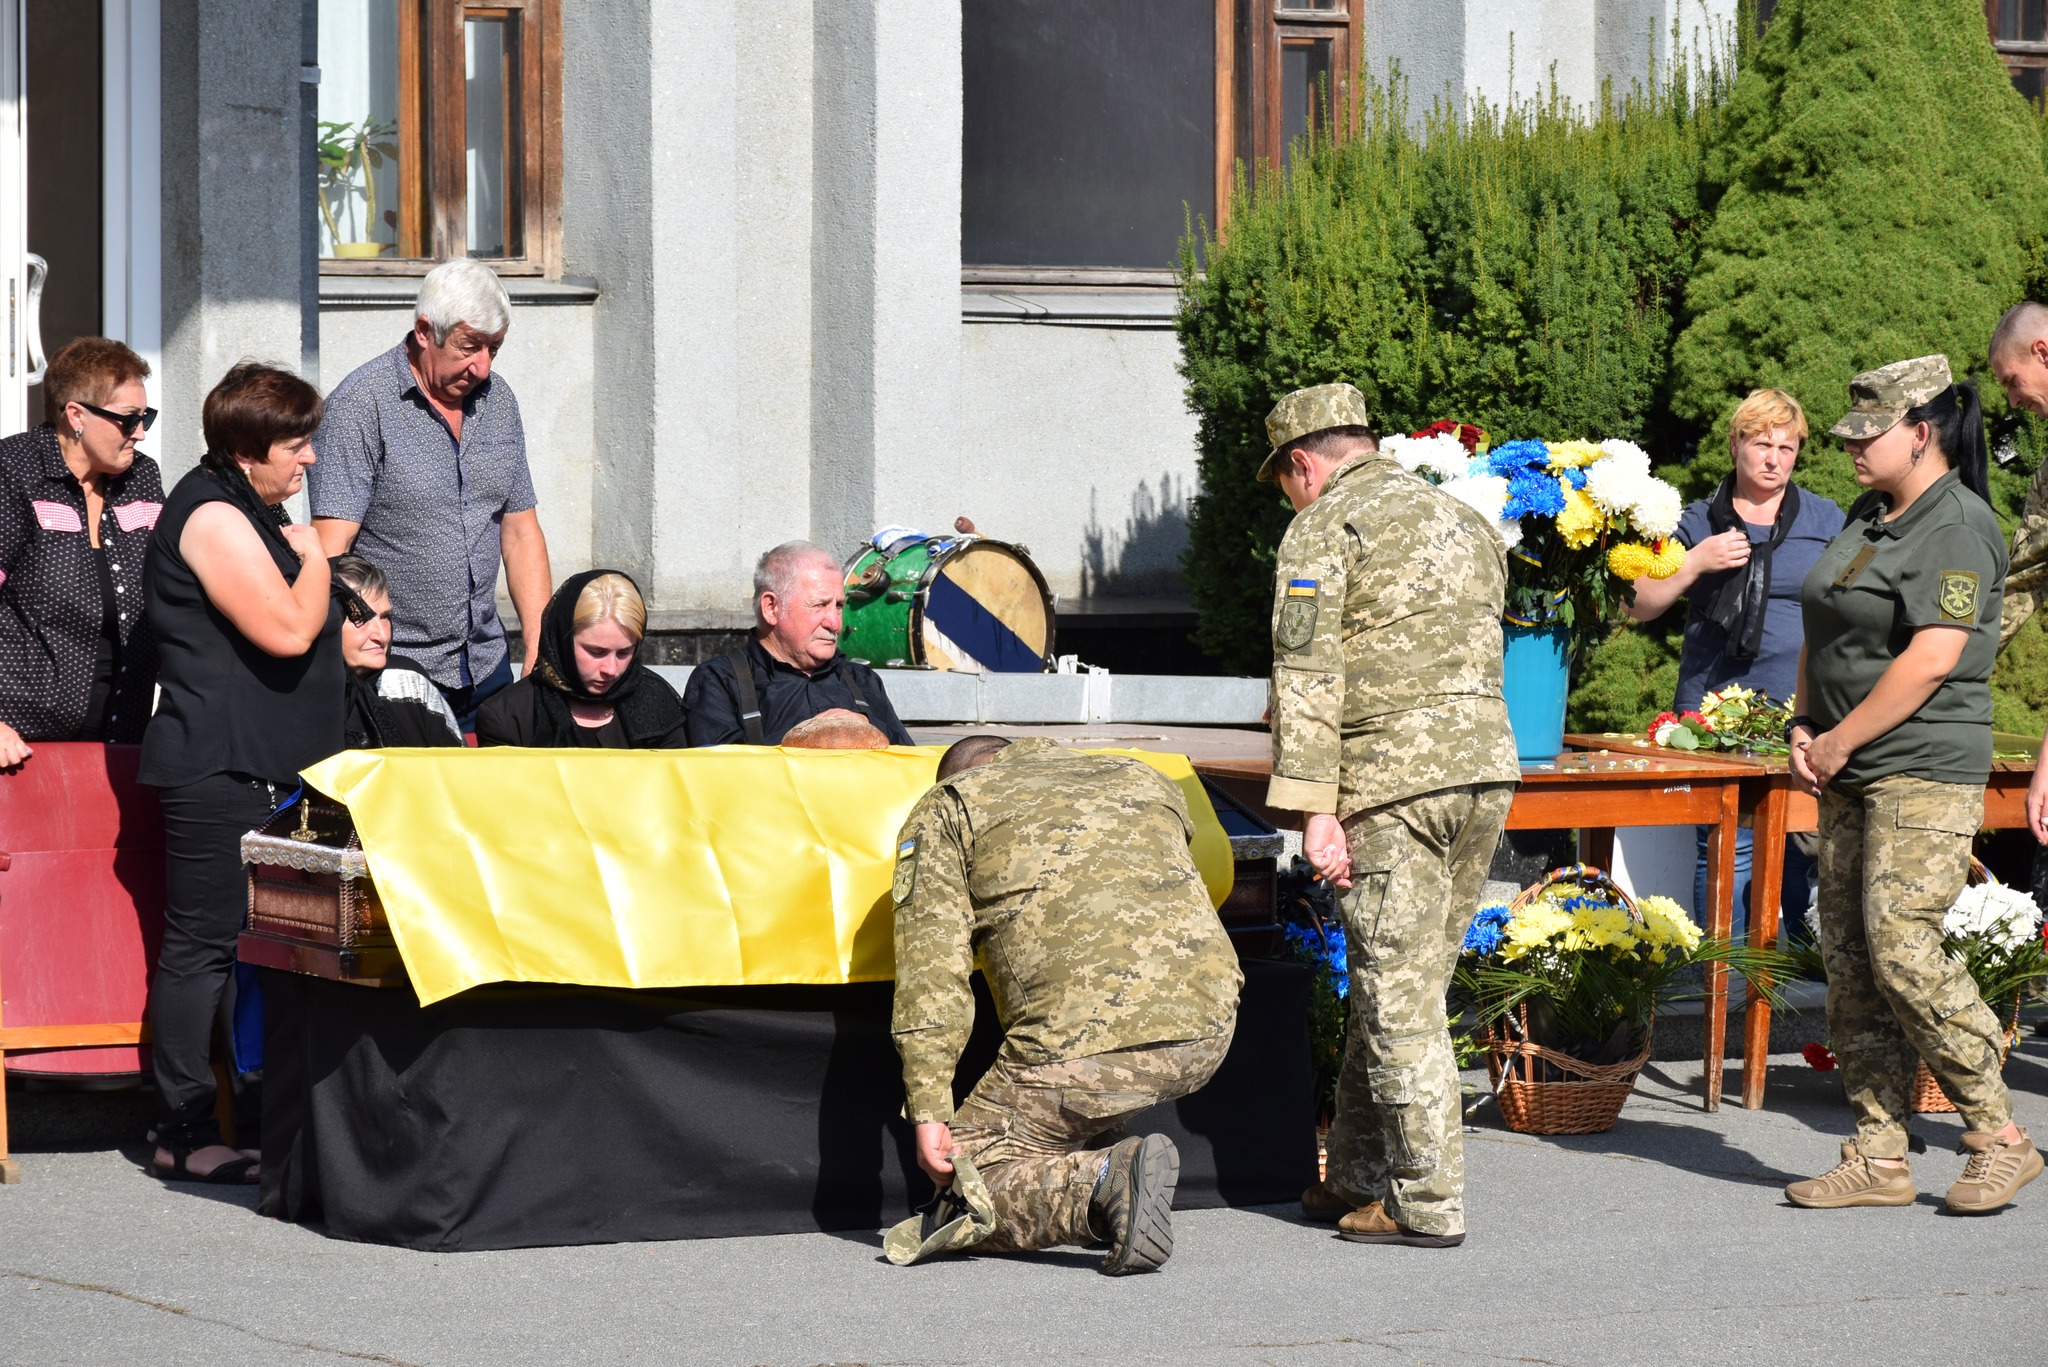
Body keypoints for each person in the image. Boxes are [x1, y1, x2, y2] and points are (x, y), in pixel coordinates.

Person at [1260, 382, 1519, 1249]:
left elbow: (1306, 678)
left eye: (1284, 481)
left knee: (1396, 992)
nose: (1289, 496)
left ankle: (1427, 1199)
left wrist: (1314, 812)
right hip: (1483, 771)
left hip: (1391, 784)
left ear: (1304, 463)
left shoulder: (1323, 528)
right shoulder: (1464, 519)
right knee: (1405, 984)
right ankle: (1359, 1174)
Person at [1786, 355, 2040, 1214]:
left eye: (1870, 434)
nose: (1852, 448)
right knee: (1850, 960)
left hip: (1921, 767)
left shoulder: (1959, 525)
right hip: (1846, 766)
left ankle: (2001, 1135)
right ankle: (1879, 1152)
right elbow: (1822, 623)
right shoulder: (1869, 513)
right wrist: (1803, 723)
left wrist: (1838, 740)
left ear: (1922, 433)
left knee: (1902, 948)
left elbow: (1932, 658)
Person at [887, 735, 1242, 1274]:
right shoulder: (1142, 777)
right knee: (1071, 1085)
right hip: (1212, 1027)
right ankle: (1110, 1173)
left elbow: (931, 975)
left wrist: (930, 1109)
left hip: (1085, 1046)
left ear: (959, 775)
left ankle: (1104, 1182)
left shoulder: (951, 805)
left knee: (964, 1188)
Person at [140, 362, 344, 1184]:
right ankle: (183, 1126)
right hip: (219, 763)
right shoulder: (213, 514)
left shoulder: (253, 507)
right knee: (203, 948)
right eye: (296, 446)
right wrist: (318, 557)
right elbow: (289, 629)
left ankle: (253, 1116)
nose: (310, 459)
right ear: (247, 450)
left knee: (255, 953)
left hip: (266, 761)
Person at [1623, 389, 1844, 936]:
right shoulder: (1698, 519)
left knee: (1796, 843)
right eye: (1762, 445)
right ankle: (1727, 974)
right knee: (1728, 845)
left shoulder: (1825, 518)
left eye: (1786, 448)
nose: (1774, 459)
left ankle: (1787, 968)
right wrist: (1695, 562)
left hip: (1799, 709)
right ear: (1735, 445)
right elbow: (1637, 604)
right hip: (1712, 712)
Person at [309, 258, 552, 729]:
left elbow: (521, 532)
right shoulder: (360, 406)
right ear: (425, 331)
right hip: (395, 671)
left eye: (494, 349)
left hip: (487, 665)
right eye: (469, 346)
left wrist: (539, 650)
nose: (482, 366)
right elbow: (331, 554)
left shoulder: (498, 401)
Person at [0, 338, 163, 763]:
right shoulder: (14, 470)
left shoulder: (142, 478)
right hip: (19, 740)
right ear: (76, 415)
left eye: (146, 417)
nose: (141, 433)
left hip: (121, 734)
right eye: (129, 419)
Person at [684, 540, 913, 746]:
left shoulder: (863, 680)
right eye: (819, 605)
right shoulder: (719, 681)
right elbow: (717, 770)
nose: (834, 623)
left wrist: (867, 727)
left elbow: (910, 765)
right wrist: (812, 737)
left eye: (839, 606)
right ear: (771, 608)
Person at [474, 569, 687, 748]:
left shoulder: (657, 702)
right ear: (563, 641)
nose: (611, 669)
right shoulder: (508, 715)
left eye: (624, 653)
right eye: (596, 652)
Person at [333, 554, 463, 748]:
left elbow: (455, 762)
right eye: (361, 619)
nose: (382, 635)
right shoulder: (301, 699)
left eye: (385, 617)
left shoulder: (409, 682)